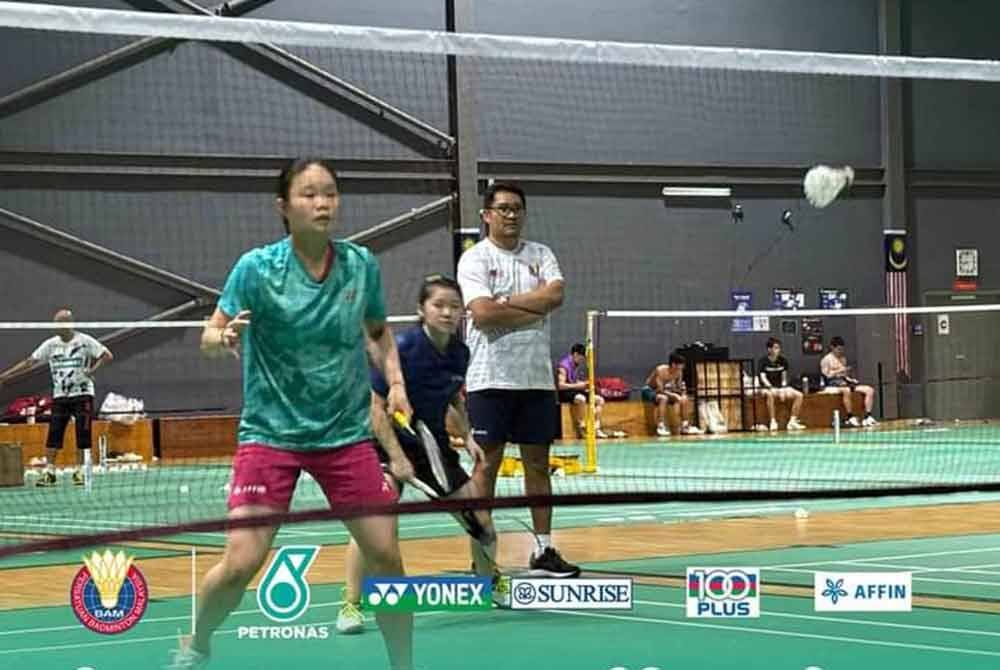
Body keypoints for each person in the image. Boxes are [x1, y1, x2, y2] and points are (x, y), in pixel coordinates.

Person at [167, 158, 415, 670]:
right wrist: (223, 337)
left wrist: (395, 383)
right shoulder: (256, 269)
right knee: (240, 565)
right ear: (284, 207)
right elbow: (210, 335)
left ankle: (404, 665)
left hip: (344, 432)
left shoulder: (361, 264)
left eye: (330, 193)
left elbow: (377, 332)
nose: (322, 203)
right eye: (309, 194)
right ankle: (198, 643)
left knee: (387, 560)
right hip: (271, 434)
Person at [337, 275, 500, 635]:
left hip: (432, 446)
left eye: (454, 306)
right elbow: (376, 408)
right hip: (383, 442)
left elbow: (453, 397)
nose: (447, 312)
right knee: (374, 525)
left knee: (483, 524)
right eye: (438, 305)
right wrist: (396, 458)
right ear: (421, 310)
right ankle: (351, 604)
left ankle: (489, 586)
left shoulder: (460, 351)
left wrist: (468, 434)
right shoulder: (404, 348)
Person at [457, 181, 580, 578]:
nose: (511, 215)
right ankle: (483, 557)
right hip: (489, 379)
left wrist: (504, 302)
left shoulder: (541, 255)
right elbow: (482, 313)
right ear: (486, 215)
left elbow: (555, 296)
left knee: (538, 467)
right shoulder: (474, 260)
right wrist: (530, 307)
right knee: (485, 469)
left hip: (536, 381)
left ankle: (543, 550)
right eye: (504, 208)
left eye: (517, 209)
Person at [0, 308, 112, 487]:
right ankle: (50, 472)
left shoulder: (85, 341)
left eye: (59, 323)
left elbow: (107, 355)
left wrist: (91, 371)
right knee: (54, 433)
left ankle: (80, 471)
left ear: (68, 324)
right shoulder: (51, 344)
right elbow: (30, 361)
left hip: (82, 394)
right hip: (60, 396)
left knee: (82, 434)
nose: (56, 326)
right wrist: (5, 376)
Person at [820, 336, 878, 428]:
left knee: (869, 390)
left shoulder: (843, 359)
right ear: (832, 347)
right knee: (846, 390)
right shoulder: (826, 359)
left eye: (842, 349)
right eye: (838, 349)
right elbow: (826, 375)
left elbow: (845, 375)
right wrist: (839, 371)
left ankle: (868, 416)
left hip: (844, 382)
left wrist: (851, 379)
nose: (840, 351)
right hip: (831, 384)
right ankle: (850, 416)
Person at [642, 354, 702, 437]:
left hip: (667, 391)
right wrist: (673, 395)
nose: (682, 368)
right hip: (650, 390)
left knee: (684, 398)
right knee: (663, 398)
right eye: (680, 366)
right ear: (673, 364)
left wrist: (682, 393)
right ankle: (661, 426)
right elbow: (660, 390)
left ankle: (685, 426)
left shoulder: (679, 372)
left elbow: (679, 388)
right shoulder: (660, 370)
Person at [556, 343, 608, 439]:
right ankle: (582, 425)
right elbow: (561, 385)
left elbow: (574, 381)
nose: (582, 360)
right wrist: (578, 385)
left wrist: (584, 384)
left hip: (574, 390)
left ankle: (595, 428)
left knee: (599, 400)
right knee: (581, 398)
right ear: (575, 354)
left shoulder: (575, 365)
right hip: (565, 393)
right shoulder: (563, 366)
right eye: (581, 357)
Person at [757, 338, 806, 432]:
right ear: (769, 349)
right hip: (767, 387)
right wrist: (771, 388)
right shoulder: (762, 361)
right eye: (775, 348)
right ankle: (773, 421)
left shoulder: (783, 361)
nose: (777, 350)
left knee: (799, 395)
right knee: (770, 395)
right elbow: (763, 378)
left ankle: (792, 421)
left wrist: (783, 389)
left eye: (778, 348)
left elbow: (784, 378)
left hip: (781, 388)